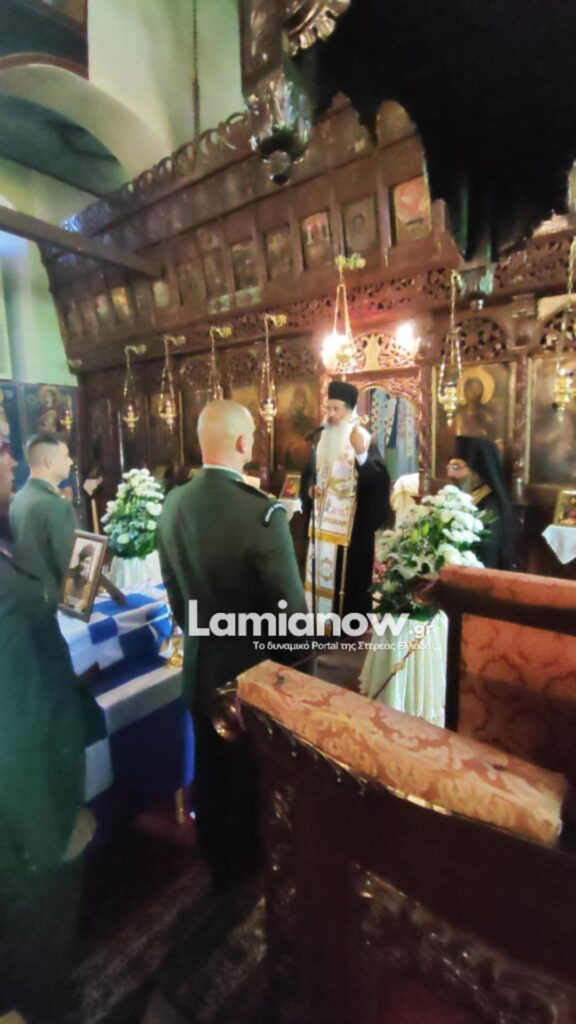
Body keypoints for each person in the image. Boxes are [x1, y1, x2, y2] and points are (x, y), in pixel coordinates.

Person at [157, 400, 306, 886]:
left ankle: (217, 866)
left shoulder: (174, 503)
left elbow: (175, 597)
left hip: (202, 670)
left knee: (212, 774)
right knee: (250, 785)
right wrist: (297, 678)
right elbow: (293, 618)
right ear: (244, 443)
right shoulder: (262, 514)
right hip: (251, 682)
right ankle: (248, 879)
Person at [0, 444, 105, 1022]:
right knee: (38, 958)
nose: (10, 460)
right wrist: (48, 822)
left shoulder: (14, 513)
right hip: (25, 814)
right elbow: (11, 709)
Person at [299, 381, 391, 616]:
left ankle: (345, 628)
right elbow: (308, 474)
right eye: (328, 408)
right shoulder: (321, 439)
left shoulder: (364, 440)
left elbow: (379, 486)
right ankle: (317, 624)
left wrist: (361, 455)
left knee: (348, 590)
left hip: (351, 533)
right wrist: (310, 489)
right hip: (321, 530)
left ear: (350, 412)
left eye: (336, 409)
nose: (330, 414)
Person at [9, 432, 77, 611]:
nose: (70, 462)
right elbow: (70, 561)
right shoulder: (55, 505)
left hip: (27, 597)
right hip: (54, 602)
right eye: (66, 456)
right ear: (49, 462)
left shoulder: (18, 498)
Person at [447, 435, 516, 569]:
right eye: (449, 466)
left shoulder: (491, 508)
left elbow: (488, 558)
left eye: (456, 467)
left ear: (477, 473)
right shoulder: (464, 498)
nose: (450, 474)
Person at [62, 542, 95, 613]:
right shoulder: (69, 577)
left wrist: (83, 605)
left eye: (87, 562)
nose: (84, 565)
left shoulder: (91, 585)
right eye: (82, 561)